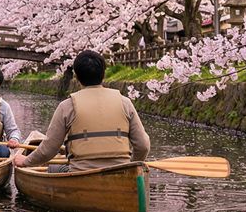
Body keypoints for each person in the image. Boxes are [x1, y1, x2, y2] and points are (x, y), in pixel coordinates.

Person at [11, 50, 149, 172]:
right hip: (120, 172)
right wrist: (131, 166)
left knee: (52, 168)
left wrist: (25, 161)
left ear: (76, 76)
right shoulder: (125, 102)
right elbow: (143, 145)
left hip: (80, 172)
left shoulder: (67, 106)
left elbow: (49, 150)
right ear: (103, 74)